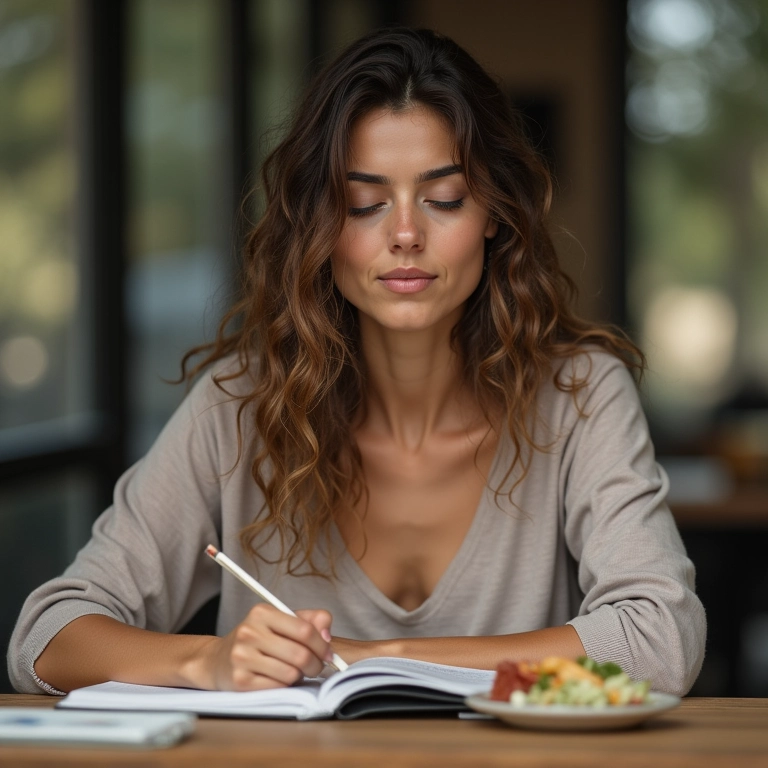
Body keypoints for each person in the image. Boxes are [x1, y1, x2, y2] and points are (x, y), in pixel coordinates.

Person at [9, 28, 705, 697]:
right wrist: (208, 662)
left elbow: (659, 639)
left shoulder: (579, 396)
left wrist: (384, 660)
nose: (405, 234)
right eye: (364, 202)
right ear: (320, 221)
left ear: (493, 211)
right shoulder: (239, 405)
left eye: (445, 198)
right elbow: (45, 637)